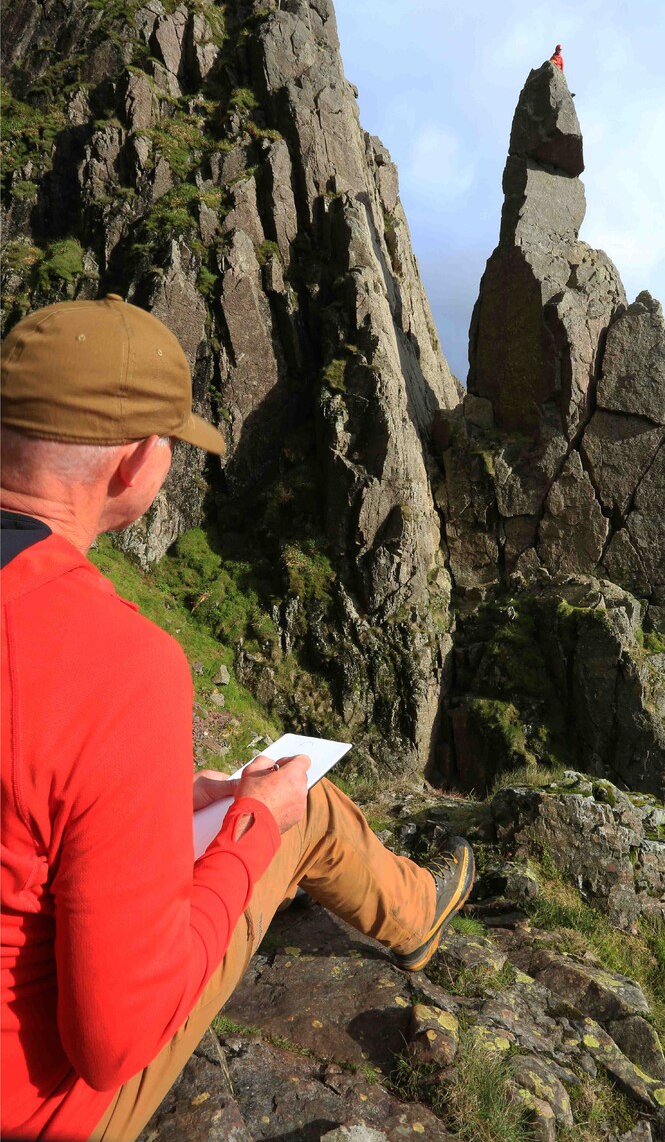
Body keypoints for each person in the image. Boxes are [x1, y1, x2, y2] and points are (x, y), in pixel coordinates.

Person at [0, 295, 475, 1142]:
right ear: (136, 461)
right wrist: (253, 828)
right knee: (301, 803)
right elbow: (113, 1040)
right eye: (172, 444)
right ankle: (415, 912)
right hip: (41, 1109)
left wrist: (145, 803)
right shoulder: (116, 664)